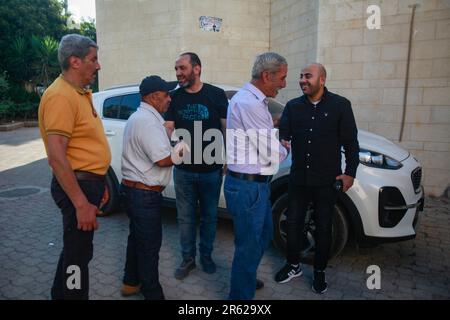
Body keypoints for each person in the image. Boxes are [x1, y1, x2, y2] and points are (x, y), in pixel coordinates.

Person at [275, 63, 360, 294]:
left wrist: (350, 173)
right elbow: (284, 130)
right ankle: (293, 265)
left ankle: (320, 272)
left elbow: (351, 143)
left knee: (324, 228)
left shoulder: (340, 106)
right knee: (293, 223)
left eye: (308, 76)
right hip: (298, 179)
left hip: (326, 181)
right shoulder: (293, 106)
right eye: (301, 76)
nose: (302, 80)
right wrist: (283, 138)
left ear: (322, 80)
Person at [38, 34, 111, 300]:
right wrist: (81, 203)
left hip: (87, 184)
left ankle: (61, 295)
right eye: (93, 59)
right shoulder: (60, 96)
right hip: (77, 188)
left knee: (75, 251)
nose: (98, 65)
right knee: (77, 258)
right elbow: (57, 156)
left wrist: (98, 184)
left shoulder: (78, 93)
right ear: (75, 62)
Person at [224, 52, 289, 300]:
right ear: (266, 75)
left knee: (261, 236)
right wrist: (285, 146)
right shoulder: (250, 103)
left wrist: (270, 125)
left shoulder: (251, 101)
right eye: (281, 78)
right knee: (249, 246)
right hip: (248, 188)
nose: (283, 84)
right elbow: (272, 153)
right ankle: (239, 298)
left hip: (252, 186)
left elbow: (256, 133)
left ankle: (245, 276)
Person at [119, 75, 186, 300]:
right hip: (143, 194)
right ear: (153, 96)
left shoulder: (144, 118)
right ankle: (152, 293)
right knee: (149, 247)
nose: (169, 98)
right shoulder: (147, 121)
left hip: (136, 191)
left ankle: (130, 283)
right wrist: (182, 150)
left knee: (136, 240)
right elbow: (163, 160)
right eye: (166, 94)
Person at [164, 52, 228, 280]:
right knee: (185, 218)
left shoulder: (216, 95)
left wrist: (228, 157)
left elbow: (225, 128)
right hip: (184, 172)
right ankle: (187, 259)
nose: (178, 73)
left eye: (182, 68)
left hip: (211, 170)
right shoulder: (174, 97)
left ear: (197, 69)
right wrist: (175, 142)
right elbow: (169, 126)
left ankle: (207, 256)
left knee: (209, 217)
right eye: (176, 69)